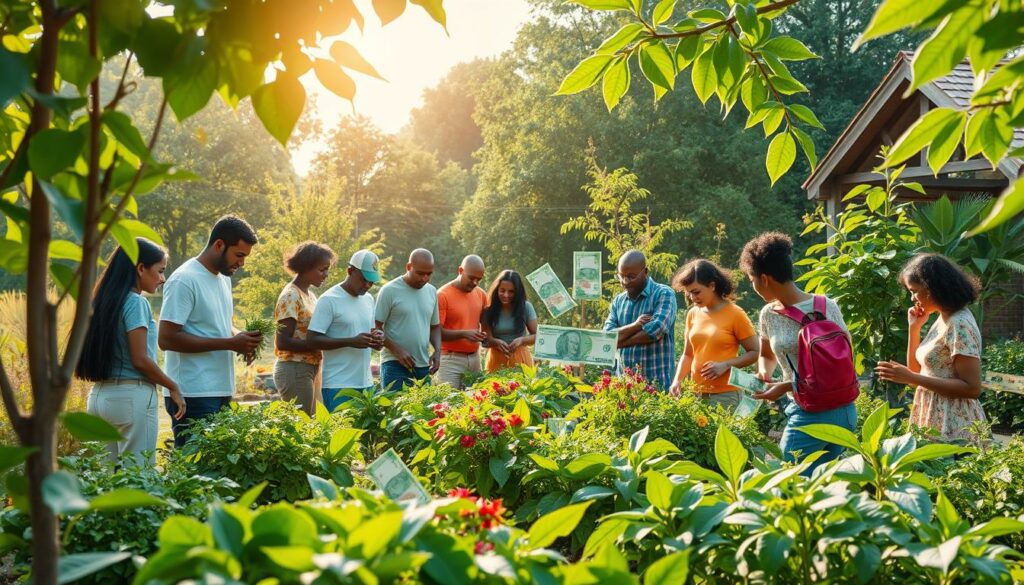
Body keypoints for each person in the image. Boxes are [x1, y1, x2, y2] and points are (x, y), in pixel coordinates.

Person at [740, 232, 856, 472]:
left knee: (788, 482)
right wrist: (764, 375)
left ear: (764, 278)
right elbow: (767, 355)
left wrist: (785, 386)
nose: (753, 286)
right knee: (822, 487)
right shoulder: (768, 314)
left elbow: (842, 361)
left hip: (815, 412)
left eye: (751, 279)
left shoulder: (826, 306)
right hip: (836, 408)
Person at [75, 238, 186, 465]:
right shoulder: (136, 302)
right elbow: (140, 360)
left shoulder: (102, 301)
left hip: (98, 398)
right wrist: (173, 386)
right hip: (131, 398)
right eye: (160, 271)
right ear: (141, 268)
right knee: (138, 476)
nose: (163, 279)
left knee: (103, 481)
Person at [159, 215, 263, 447]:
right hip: (192, 394)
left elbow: (219, 325)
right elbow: (166, 338)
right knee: (194, 472)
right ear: (219, 245)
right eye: (239, 255)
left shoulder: (223, 279)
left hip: (220, 389)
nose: (242, 263)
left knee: (216, 474)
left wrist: (241, 338)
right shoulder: (185, 279)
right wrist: (228, 343)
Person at [876, 254, 985, 442]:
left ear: (934, 288)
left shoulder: (959, 324)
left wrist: (911, 377)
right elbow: (916, 374)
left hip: (955, 426)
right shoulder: (944, 318)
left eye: (914, 291)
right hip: (933, 416)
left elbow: (972, 388)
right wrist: (914, 328)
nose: (912, 298)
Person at [669, 259, 759, 410]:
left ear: (712, 285)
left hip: (726, 395)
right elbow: (688, 354)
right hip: (695, 393)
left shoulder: (735, 314)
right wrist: (677, 381)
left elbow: (756, 352)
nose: (692, 297)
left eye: (696, 292)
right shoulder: (693, 313)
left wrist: (725, 365)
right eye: (688, 293)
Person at [308, 250, 385, 412]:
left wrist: (378, 340)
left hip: (366, 384)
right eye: (364, 280)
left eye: (371, 282)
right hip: (338, 386)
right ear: (350, 271)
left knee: (366, 437)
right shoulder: (329, 300)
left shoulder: (368, 299)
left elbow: (370, 334)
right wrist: (350, 341)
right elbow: (312, 340)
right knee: (341, 436)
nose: (367, 286)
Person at [272, 241, 336, 415]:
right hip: (294, 367)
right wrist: (320, 343)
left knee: (313, 425)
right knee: (303, 426)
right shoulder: (290, 295)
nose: (326, 275)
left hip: (310, 367)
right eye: (322, 269)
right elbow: (283, 341)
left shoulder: (310, 295)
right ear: (306, 267)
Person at [603, 250, 677, 388]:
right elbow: (607, 337)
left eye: (631, 277)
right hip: (625, 387)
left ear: (645, 272)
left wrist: (620, 342)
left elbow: (655, 331)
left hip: (656, 385)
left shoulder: (663, 293)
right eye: (621, 276)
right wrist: (636, 326)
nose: (625, 282)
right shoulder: (619, 301)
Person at [375, 248, 441, 391]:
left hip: (423, 366)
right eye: (420, 273)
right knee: (396, 411)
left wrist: (437, 351)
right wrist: (397, 350)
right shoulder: (389, 291)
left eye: (429, 274)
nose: (424, 278)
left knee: (426, 412)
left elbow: (435, 326)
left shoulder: (431, 291)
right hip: (394, 364)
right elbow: (375, 327)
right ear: (409, 267)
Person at [436, 255, 489, 389]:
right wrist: (464, 334)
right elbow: (436, 333)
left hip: (475, 359)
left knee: (476, 405)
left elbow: (486, 325)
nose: (475, 282)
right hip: (449, 360)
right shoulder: (442, 295)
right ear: (460, 270)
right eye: (471, 278)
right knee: (448, 405)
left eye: (479, 279)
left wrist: (485, 335)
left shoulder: (481, 294)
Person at [482, 270, 538, 372]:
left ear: (518, 292)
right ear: (496, 290)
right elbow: (485, 340)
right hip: (496, 361)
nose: (506, 295)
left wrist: (522, 340)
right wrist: (495, 342)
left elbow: (537, 336)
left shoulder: (526, 307)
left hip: (521, 361)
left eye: (511, 291)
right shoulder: (488, 310)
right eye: (502, 291)